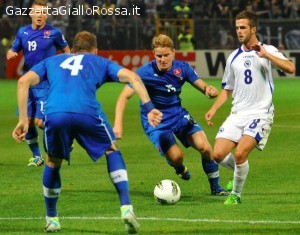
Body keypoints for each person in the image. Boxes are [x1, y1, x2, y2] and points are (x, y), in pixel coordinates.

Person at [12, 31, 163, 233]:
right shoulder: (99, 61)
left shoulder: (52, 61)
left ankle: (52, 219)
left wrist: (23, 120)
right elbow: (133, 77)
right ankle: (126, 207)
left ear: (72, 49)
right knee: (111, 150)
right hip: (87, 111)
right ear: (95, 50)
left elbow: (23, 82)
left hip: (55, 113)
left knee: (52, 162)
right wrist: (149, 107)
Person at [114, 34, 228, 196]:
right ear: (154, 54)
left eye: (166, 55)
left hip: (178, 115)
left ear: (173, 52)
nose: (162, 59)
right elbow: (124, 96)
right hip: (156, 122)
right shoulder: (144, 73)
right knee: (177, 157)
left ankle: (216, 188)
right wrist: (118, 124)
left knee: (205, 147)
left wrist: (209, 90)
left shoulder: (182, 68)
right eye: (159, 56)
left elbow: (203, 87)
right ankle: (179, 168)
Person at [205, 10, 295, 205]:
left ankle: (235, 195)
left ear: (253, 29)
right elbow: (227, 89)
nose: (239, 31)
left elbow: (291, 68)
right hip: (238, 113)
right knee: (218, 154)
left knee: (240, 154)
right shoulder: (233, 58)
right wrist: (213, 109)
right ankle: (240, 170)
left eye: (243, 27)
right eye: (237, 27)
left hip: (261, 113)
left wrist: (267, 56)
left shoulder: (267, 49)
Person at [7, 0, 70, 167]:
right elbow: (13, 49)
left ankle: (64, 139)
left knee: (41, 122)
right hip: (28, 83)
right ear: (31, 14)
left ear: (46, 14)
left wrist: (65, 68)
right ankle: (37, 156)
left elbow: (67, 51)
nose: (40, 15)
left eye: (43, 12)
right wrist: (11, 53)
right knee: (27, 120)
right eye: (37, 12)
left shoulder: (54, 33)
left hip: (46, 83)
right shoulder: (23, 32)